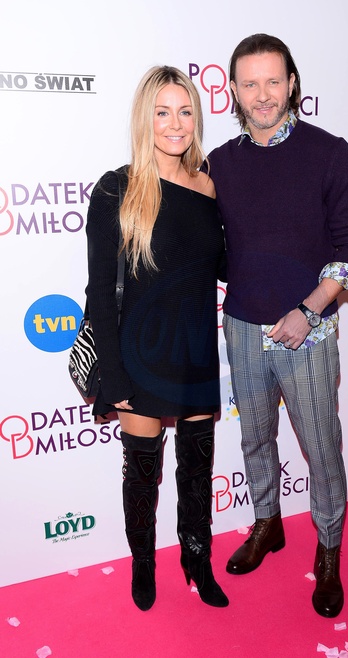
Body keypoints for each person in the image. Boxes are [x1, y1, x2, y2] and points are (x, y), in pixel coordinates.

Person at [206, 34, 348, 618]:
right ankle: (267, 523)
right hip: (242, 328)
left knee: (321, 447)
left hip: (310, 330)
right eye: (250, 83)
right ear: (233, 90)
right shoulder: (219, 163)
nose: (263, 95)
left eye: (273, 81)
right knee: (254, 438)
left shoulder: (329, 152)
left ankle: (328, 551)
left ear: (292, 82)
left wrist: (310, 308)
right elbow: (211, 247)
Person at [85, 66, 228, 611]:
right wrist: (115, 376)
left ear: (197, 118)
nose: (175, 123)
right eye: (162, 112)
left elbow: (221, 266)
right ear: (145, 119)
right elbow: (101, 291)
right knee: (143, 476)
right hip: (139, 358)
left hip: (196, 351)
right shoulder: (116, 188)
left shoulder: (208, 186)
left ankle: (197, 557)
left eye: (185, 111)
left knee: (197, 470)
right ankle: (143, 564)